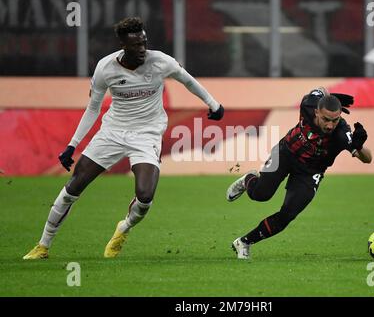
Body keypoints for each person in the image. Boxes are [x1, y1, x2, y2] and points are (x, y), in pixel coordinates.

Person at [23, 17, 224, 259]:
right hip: (113, 132)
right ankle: (43, 246)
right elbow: (93, 108)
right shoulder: (105, 68)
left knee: (145, 196)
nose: (142, 50)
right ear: (123, 45)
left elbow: (189, 81)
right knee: (74, 185)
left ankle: (123, 228)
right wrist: (72, 145)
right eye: (136, 45)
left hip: (147, 133)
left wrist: (213, 104)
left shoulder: (160, 62)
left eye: (144, 43)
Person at [226, 87, 371, 259]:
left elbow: (367, 159)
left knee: (287, 215)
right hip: (285, 153)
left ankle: (244, 243)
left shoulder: (342, 133)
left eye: (335, 120)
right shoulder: (308, 104)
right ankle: (248, 179)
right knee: (261, 194)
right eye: (326, 119)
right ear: (316, 111)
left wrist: (359, 146)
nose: (330, 125)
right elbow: (318, 91)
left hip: (310, 171)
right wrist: (329, 96)